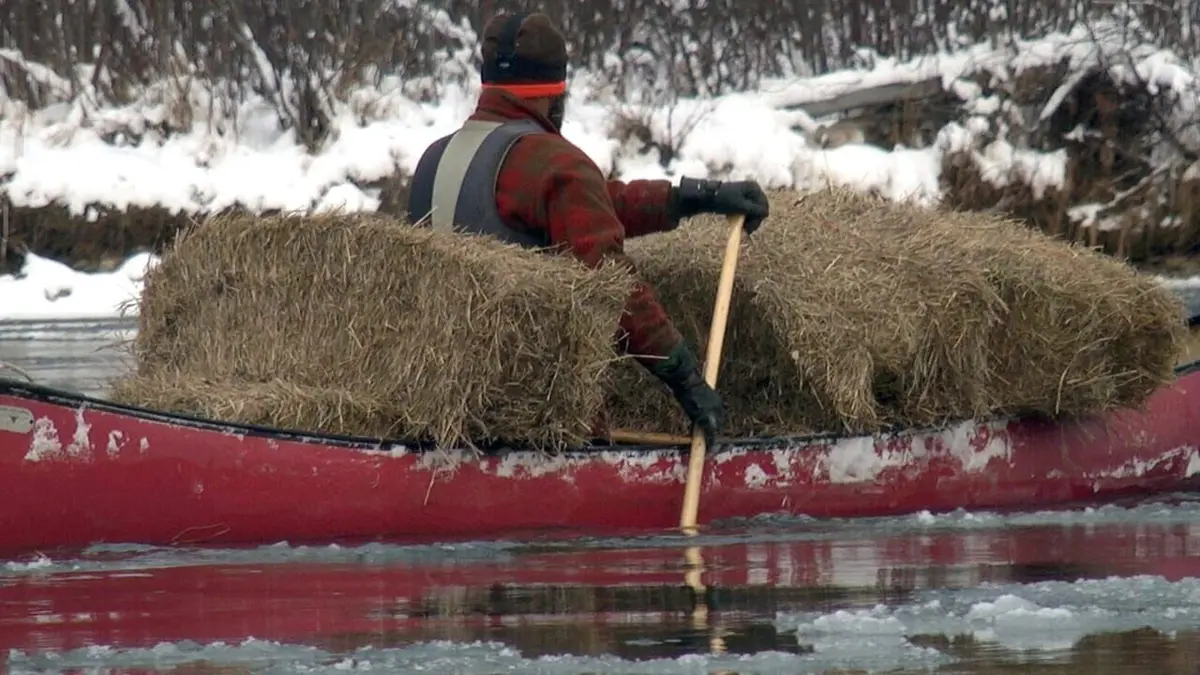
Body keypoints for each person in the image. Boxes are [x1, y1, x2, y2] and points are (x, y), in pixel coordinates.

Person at [407, 11, 770, 445]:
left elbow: (581, 204)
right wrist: (686, 378)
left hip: (440, 410)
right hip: (534, 421)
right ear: (556, 92)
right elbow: (611, 283)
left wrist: (691, 198)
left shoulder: (434, 159)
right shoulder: (555, 162)